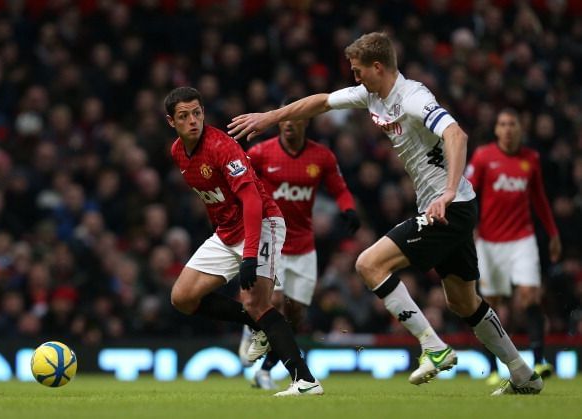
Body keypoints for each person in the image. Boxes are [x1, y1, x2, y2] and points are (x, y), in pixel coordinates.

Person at [228, 31, 542, 395]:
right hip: (448, 207)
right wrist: (271, 117)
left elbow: (457, 135)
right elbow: (321, 102)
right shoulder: (371, 94)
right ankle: (522, 373)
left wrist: (449, 192)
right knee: (462, 301)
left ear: (378, 67)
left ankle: (433, 347)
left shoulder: (413, 98)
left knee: (369, 264)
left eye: (359, 71)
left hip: (449, 206)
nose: (355, 78)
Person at [164, 86, 323, 396]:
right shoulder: (177, 152)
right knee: (182, 297)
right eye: (184, 116)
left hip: (262, 224)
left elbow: (251, 199)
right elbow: (213, 197)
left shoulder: (222, 147)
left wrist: (249, 255)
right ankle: (258, 326)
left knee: (257, 303)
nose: (193, 120)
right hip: (226, 232)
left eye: (197, 113)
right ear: (172, 122)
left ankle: (305, 380)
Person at [237, 98, 360, 389]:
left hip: (305, 246)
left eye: (296, 118)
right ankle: (250, 330)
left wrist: (348, 208)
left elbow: (340, 189)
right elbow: (240, 183)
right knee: (274, 302)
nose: (289, 124)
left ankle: (265, 370)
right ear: (279, 122)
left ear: (306, 121)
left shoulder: (322, 158)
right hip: (273, 241)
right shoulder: (260, 153)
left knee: (295, 315)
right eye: (284, 119)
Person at [466, 108, 561, 385]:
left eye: (512, 124)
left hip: (522, 238)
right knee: (489, 306)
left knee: (530, 296)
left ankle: (539, 361)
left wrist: (553, 233)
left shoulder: (531, 159)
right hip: (489, 242)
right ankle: (494, 369)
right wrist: (467, 227)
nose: (507, 129)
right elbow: (468, 192)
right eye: (503, 124)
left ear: (520, 129)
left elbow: (539, 198)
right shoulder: (483, 156)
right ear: (496, 130)